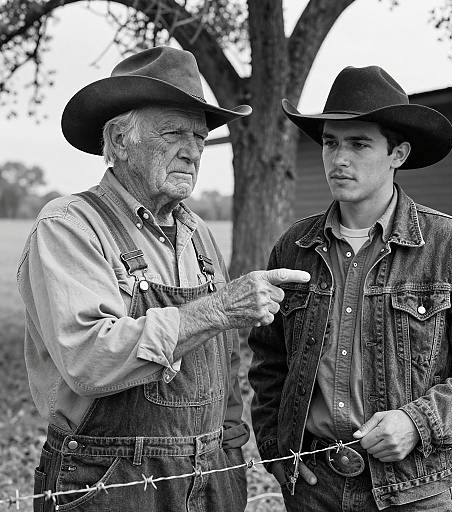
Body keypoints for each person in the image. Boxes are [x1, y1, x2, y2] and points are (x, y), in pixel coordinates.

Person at [17, 46, 310, 512]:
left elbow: (222, 360)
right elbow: (88, 358)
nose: (192, 150)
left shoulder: (197, 233)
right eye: (173, 131)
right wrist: (219, 307)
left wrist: (231, 448)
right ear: (117, 141)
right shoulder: (69, 225)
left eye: (199, 135)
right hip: (110, 478)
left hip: (213, 471)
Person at [248, 65, 452, 511]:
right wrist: (275, 448)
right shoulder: (294, 248)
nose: (338, 158)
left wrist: (418, 423)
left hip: (415, 488)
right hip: (313, 484)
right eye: (330, 143)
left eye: (358, 144)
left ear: (398, 153)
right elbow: (270, 360)